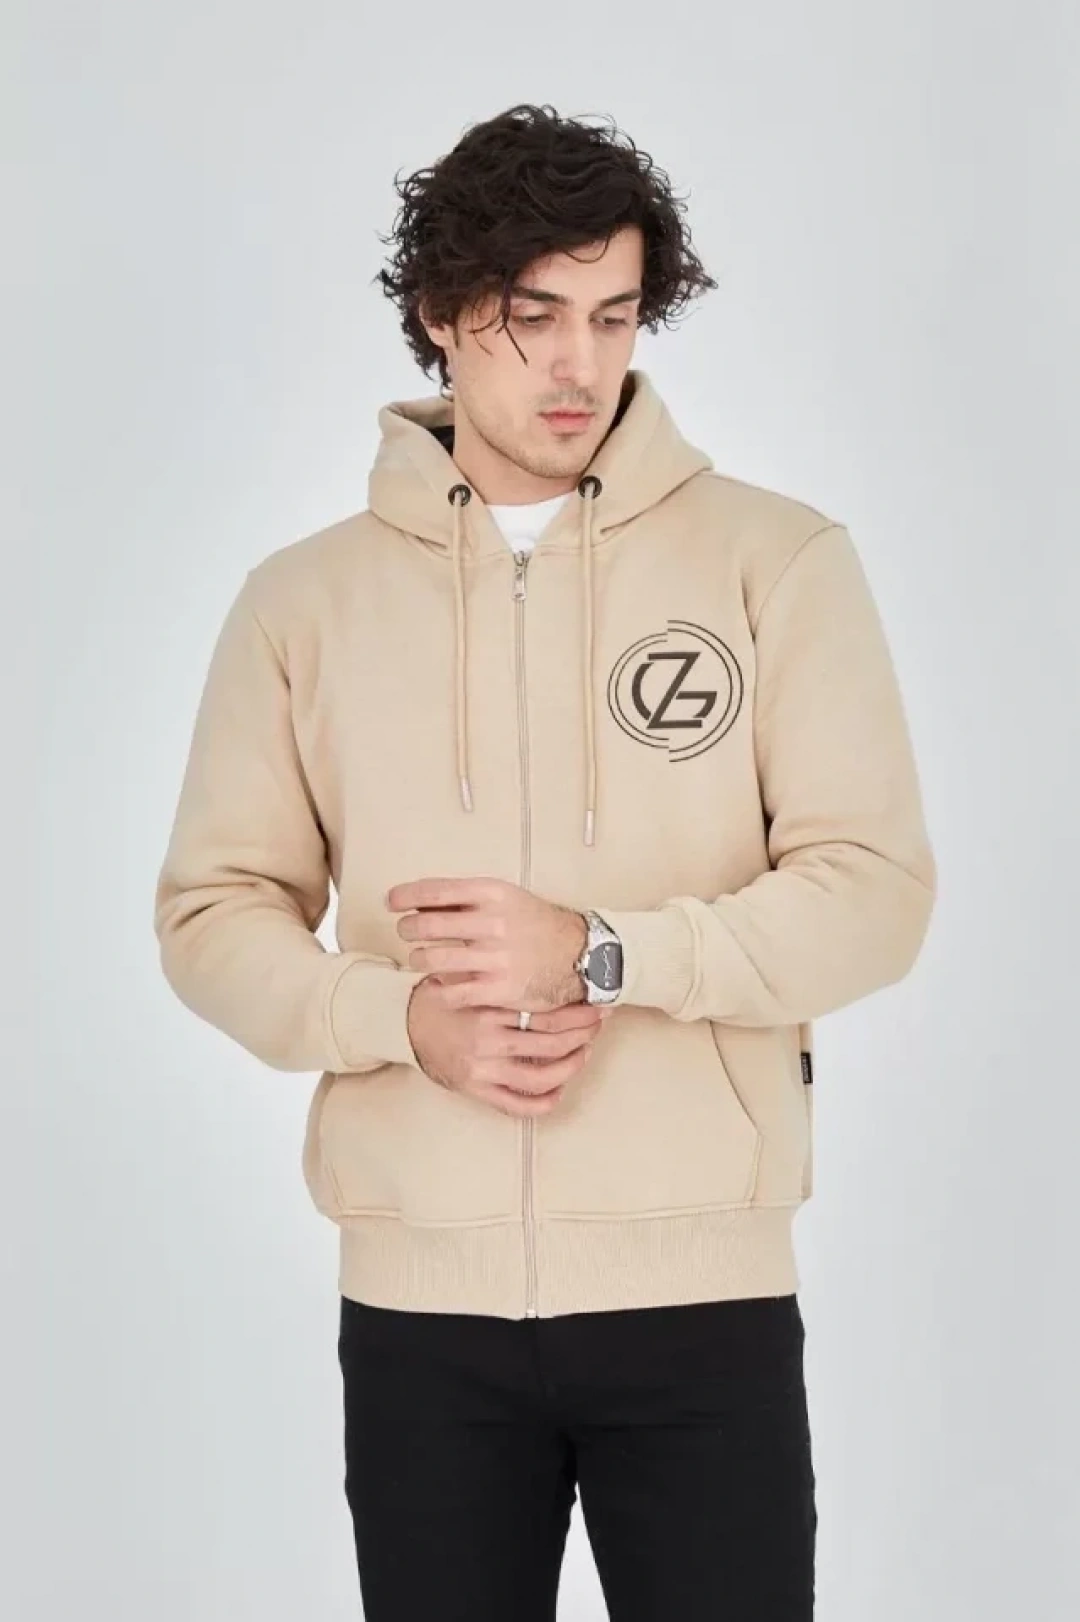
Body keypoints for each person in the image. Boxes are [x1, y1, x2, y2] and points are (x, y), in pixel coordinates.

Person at [153, 103, 936, 1621]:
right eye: (534, 317)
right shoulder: (301, 603)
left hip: (700, 1300)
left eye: (614, 316)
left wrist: (605, 950)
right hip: (422, 1315)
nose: (581, 364)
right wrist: (400, 1021)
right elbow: (212, 912)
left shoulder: (775, 562)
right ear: (444, 313)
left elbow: (875, 892)